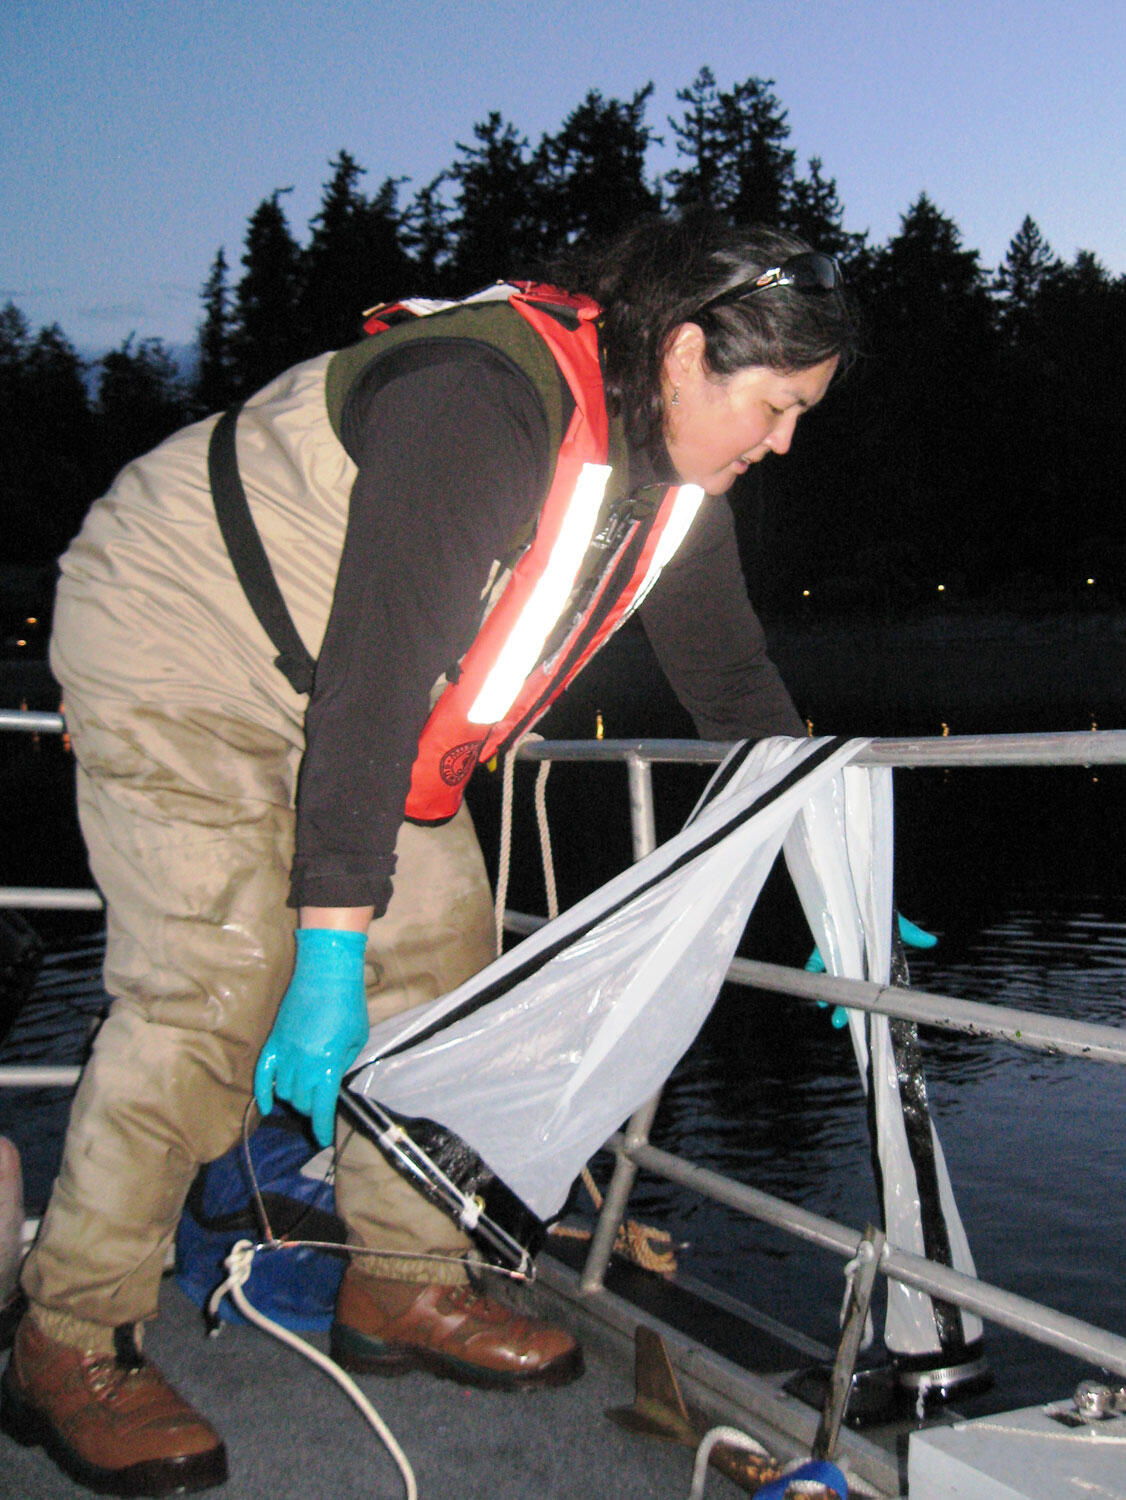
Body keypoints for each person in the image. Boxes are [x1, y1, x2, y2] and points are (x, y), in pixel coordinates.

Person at [1, 213, 857, 1495]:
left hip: (342, 693)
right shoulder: (478, 401)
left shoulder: (675, 487)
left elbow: (733, 686)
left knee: (448, 959)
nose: (783, 441)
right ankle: (67, 1335)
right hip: (176, 636)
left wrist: (829, 872)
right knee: (216, 983)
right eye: (777, 404)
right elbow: (377, 677)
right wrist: (327, 954)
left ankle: (399, 1284)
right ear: (683, 356)